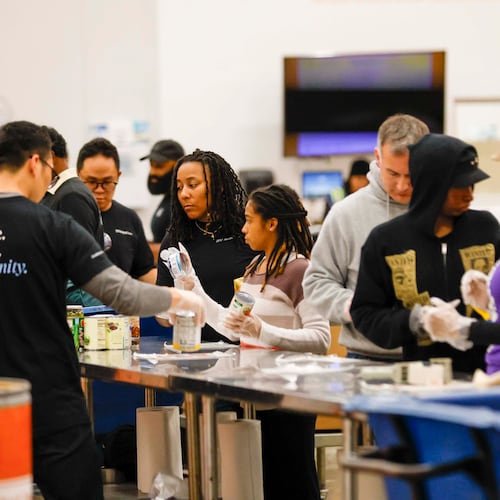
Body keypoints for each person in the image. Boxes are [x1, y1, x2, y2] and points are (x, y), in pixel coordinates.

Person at [0, 120, 205, 500]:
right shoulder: (53, 226)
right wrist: (179, 300)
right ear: (34, 163)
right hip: (49, 395)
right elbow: (122, 293)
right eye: (50, 171)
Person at [183, 184, 330, 500]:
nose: (243, 228)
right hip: (255, 399)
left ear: (272, 223)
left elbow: (320, 338)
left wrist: (263, 330)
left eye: (250, 220)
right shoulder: (255, 267)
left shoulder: (301, 270)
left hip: (291, 401)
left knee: (293, 485)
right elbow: (233, 328)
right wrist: (193, 288)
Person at [350, 133, 500, 374]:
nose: (469, 194)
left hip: (488, 376)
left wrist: (486, 305)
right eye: (460, 186)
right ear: (433, 185)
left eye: (472, 184)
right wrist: (416, 320)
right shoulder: (385, 240)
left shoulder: (487, 228)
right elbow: (365, 314)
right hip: (421, 379)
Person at [303, 114, 429, 361]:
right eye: (393, 173)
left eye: (411, 174)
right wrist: (353, 306)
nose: (402, 185)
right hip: (367, 358)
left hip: (434, 358)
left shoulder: (444, 210)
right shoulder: (345, 213)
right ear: (378, 157)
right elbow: (316, 282)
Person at [156, 149, 257, 342]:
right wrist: (174, 302)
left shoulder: (247, 231)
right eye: (179, 187)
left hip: (246, 347)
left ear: (218, 186)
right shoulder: (175, 239)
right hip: (195, 350)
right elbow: (163, 319)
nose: (184, 194)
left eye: (193, 185)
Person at [40, 125, 104, 306]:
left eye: (34, 160)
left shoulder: (71, 196)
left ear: (50, 156)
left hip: (78, 308)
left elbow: (78, 262)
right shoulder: (58, 193)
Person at [77, 137, 157, 283]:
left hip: (121, 303)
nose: (99, 190)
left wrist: (175, 290)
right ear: (78, 175)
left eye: (107, 182)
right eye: (92, 182)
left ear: (118, 176)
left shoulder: (129, 218)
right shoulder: (66, 216)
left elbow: (144, 271)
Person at [140, 139, 185, 260]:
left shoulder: (182, 202)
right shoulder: (168, 198)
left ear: (178, 166)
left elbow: (177, 250)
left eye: (159, 166)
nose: (153, 172)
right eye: (151, 166)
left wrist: (131, 248)